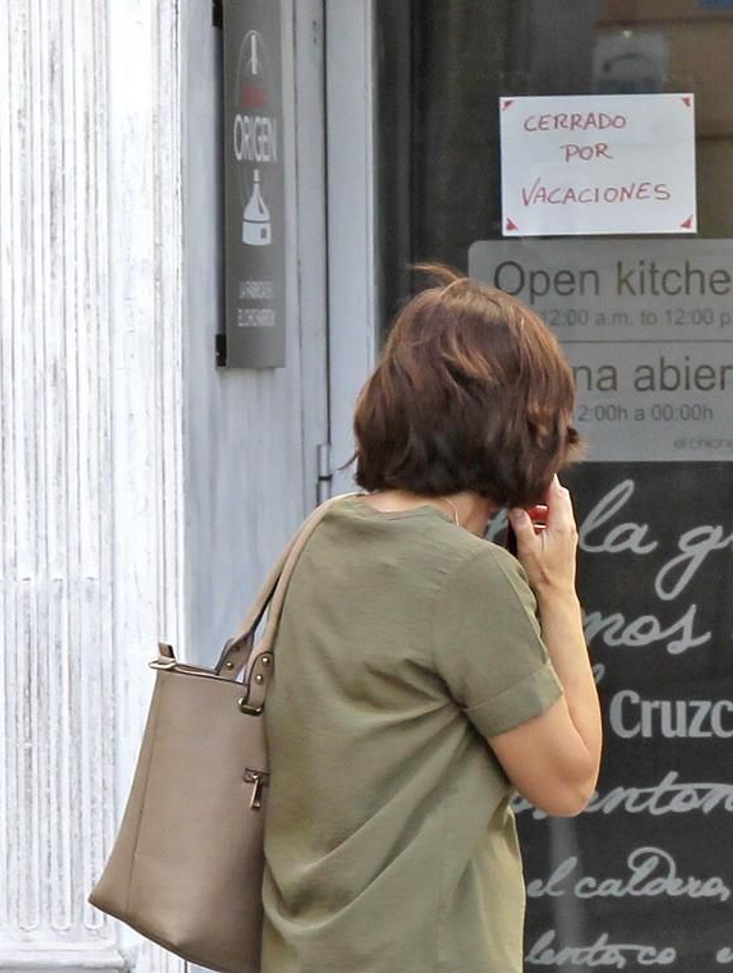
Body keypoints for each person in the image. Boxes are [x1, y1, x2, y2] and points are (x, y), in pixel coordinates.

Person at [259, 265, 602, 972]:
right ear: (519, 426)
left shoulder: (323, 534)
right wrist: (558, 593)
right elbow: (567, 781)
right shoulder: (467, 577)